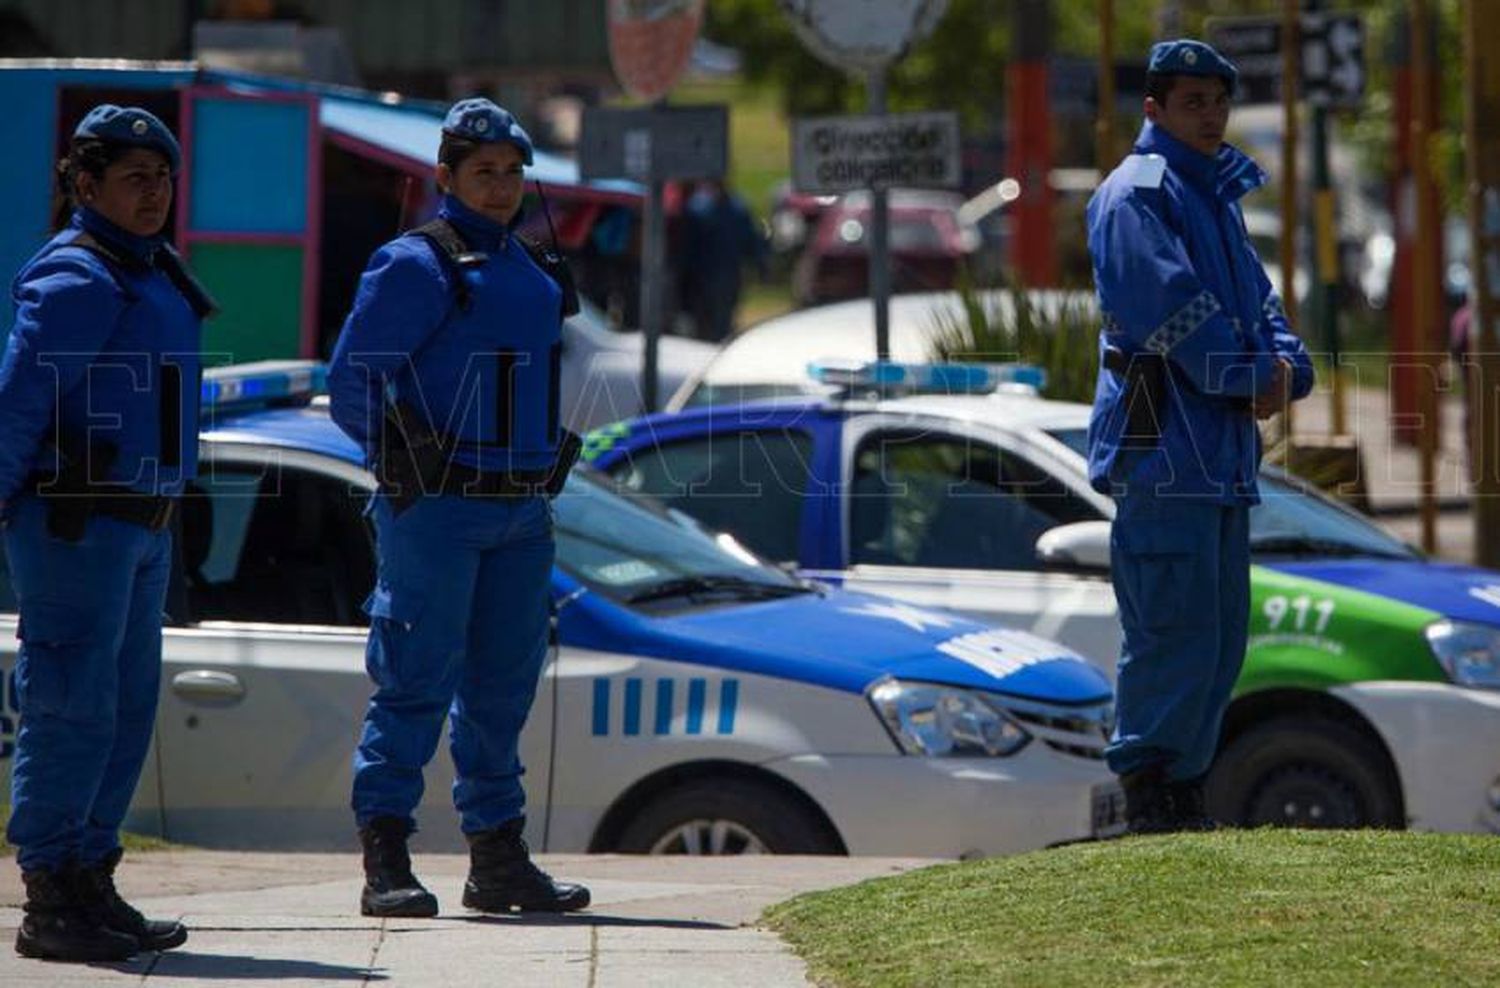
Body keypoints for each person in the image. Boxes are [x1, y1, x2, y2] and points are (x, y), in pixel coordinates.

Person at [327, 97, 589, 918]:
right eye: (484, 173)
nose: (503, 187)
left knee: (502, 693)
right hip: (439, 509)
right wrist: (408, 462)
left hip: (521, 512)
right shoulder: (415, 264)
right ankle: (386, 860)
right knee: (413, 684)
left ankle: (498, 863)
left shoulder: (531, 267)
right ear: (444, 177)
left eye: (513, 173)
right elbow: (351, 384)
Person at [1084, 40, 1315, 833]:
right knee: (1171, 627)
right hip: (1162, 442)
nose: (1210, 115)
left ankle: (1183, 792)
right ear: (1154, 108)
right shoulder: (1137, 194)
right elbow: (1174, 313)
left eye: (1217, 101)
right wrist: (1256, 376)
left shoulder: (1213, 193)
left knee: (1219, 633)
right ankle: (1150, 797)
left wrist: (1283, 367)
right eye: (1192, 102)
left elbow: (1263, 307)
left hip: (1216, 450)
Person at [1, 105, 209, 960]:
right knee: (71, 707)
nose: (154, 193)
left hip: (140, 525)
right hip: (79, 524)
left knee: (122, 713)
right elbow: (19, 403)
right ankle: (51, 899)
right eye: (134, 179)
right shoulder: (82, 276)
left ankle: (91, 876)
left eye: (161, 177)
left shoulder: (146, 269)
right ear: (86, 187)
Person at [680, 179, 766, 342]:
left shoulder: (738, 207)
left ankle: (718, 344)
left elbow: (750, 239)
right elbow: (688, 245)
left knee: (723, 319)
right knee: (702, 319)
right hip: (701, 275)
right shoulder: (697, 207)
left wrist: (760, 263)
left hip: (728, 273)